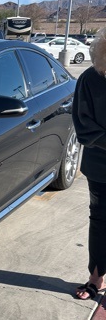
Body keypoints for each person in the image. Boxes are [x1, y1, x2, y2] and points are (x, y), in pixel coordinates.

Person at [72, 28, 106, 299]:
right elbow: (84, 128)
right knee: (101, 221)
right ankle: (97, 276)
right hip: (101, 167)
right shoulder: (90, 79)